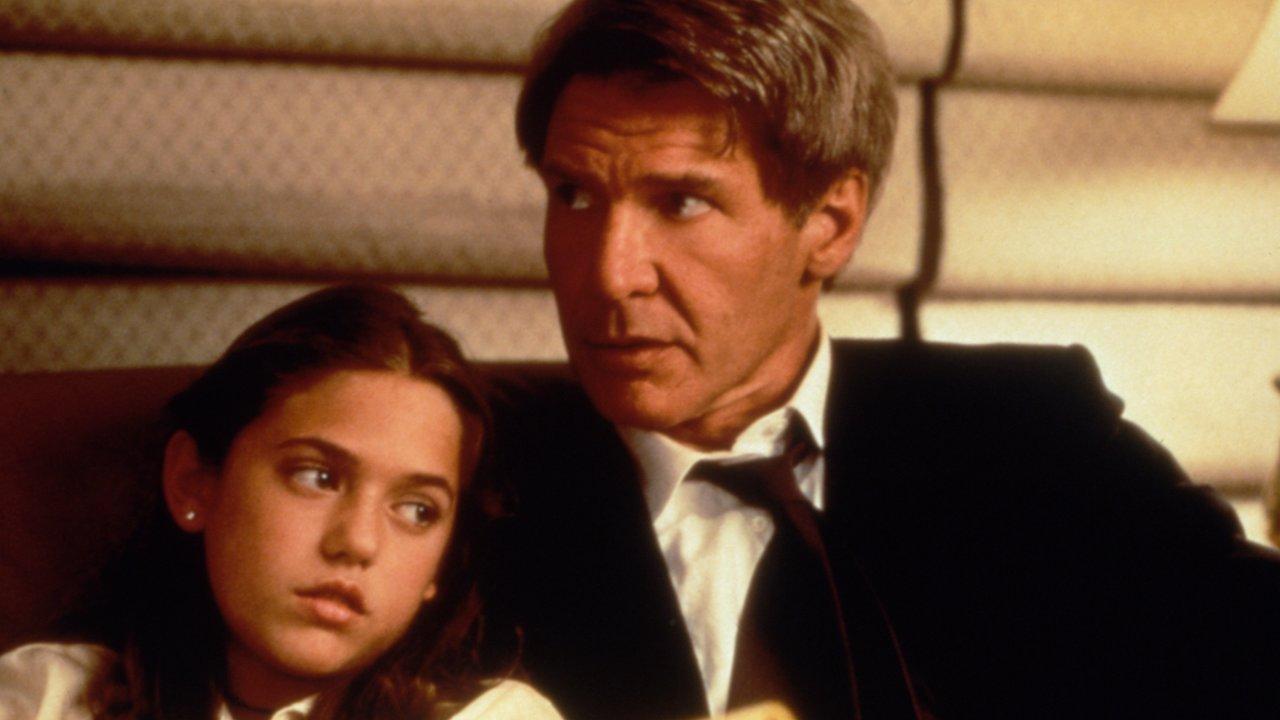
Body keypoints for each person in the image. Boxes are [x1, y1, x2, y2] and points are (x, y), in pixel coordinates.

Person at [483, 0, 1280, 718]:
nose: (609, 273)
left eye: (681, 202)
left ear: (831, 224)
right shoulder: (462, 474)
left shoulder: (1028, 430)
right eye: (573, 195)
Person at [0, 285, 562, 720]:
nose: (358, 542)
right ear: (194, 482)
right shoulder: (47, 696)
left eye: (418, 510)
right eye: (316, 477)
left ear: (440, 563)